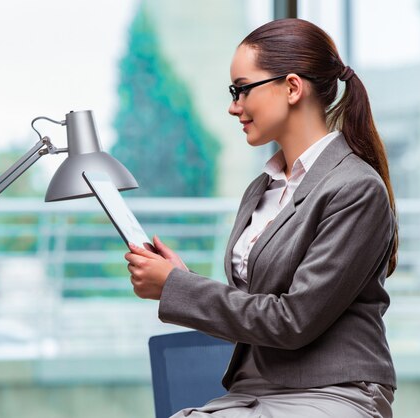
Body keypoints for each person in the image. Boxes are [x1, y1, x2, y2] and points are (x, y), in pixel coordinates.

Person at [124, 18, 399, 418]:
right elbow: (256, 306)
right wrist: (182, 280)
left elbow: (292, 320)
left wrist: (178, 288)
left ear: (291, 87)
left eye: (242, 89)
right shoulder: (262, 188)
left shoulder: (356, 188)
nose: (233, 106)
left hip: (333, 392)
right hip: (253, 392)